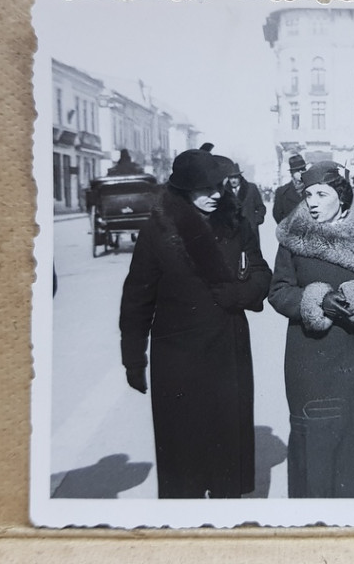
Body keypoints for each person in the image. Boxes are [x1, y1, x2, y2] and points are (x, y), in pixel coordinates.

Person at [118, 148, 272, 499]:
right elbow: (137, 300)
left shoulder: (236, 222)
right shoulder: (158, 231)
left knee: (226, 457)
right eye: (205, 190)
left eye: (218, 186)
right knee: (182, 458)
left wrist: (243, 293)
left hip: (227, 350)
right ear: (184, 191)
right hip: (177, 357)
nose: (216, 195)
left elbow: (262, 270)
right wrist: (133, 359)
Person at [268, 161, 354, 498]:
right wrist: (316, 301)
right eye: (308, 194)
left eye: (321, 194)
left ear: (341, 197)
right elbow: (279, 290)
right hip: (309, 353)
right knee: (313, 439)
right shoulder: (293, 235)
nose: (311, 201)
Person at [221, 157, 267, 247]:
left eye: (235, 177)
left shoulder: (251, 188)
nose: (233, 180)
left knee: (252, 257)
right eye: (231, 178)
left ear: (240, 177)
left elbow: (261, 207)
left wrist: (256, 220)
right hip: (232, 232)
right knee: (233, 258)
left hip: (250, 229)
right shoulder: (224, 192)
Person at [273, 154, 307, 223]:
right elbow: (277, 215)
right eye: (298, 170)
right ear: (292, 173)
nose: (301, 172)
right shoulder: (282, 192)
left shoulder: (312, 189)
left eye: (303, 169)